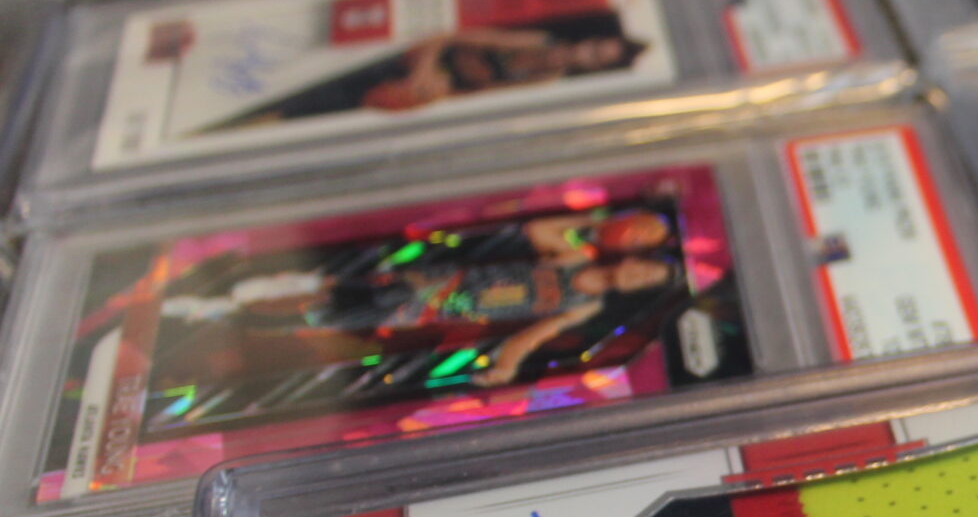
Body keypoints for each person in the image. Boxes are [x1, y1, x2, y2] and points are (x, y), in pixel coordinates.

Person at [155, 209, 681, 390]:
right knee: (330, 289)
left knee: (322, 312)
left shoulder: (584, 307)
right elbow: (539, 229)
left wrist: (505, 367)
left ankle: (220, 314)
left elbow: (529, 337)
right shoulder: (574, 258)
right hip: (429, 281)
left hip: (426, 309)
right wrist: (592, 223)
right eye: (640, 262)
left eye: (643, 278)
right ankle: (224, 300)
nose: (634, 272)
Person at [208, 14, 650, 130]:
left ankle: (267, 119)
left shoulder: (545, 80)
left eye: (597, 59)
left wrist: (429, 95)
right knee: (304, 85)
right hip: (407, 60)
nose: (586, 55)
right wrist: (424, 69)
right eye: (594, 47)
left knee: (313, 112)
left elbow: (468, 97)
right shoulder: (538, 40)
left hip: (412, 87)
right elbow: (446, 34)